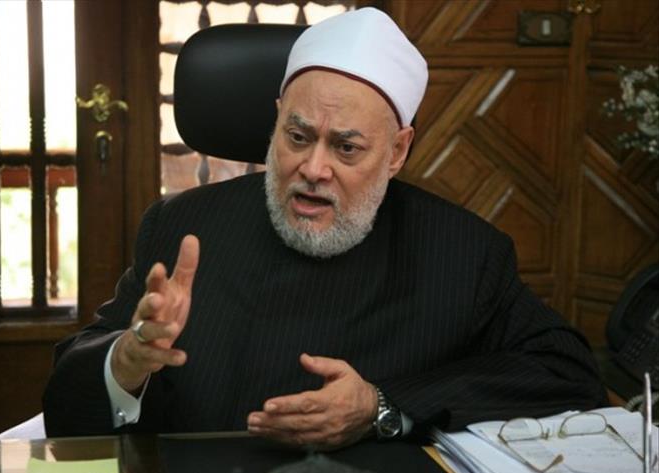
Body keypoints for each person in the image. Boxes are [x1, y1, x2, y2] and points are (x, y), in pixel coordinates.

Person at [43, 8, 607, 448]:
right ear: (276, 120)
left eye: (346, 147)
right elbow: (65, 409)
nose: (314, 168)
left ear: (397, 151)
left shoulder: (462, 252)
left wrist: (381, 406)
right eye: (298, 136)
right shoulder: (184, 227)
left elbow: (567, 371)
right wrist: (127, 362)